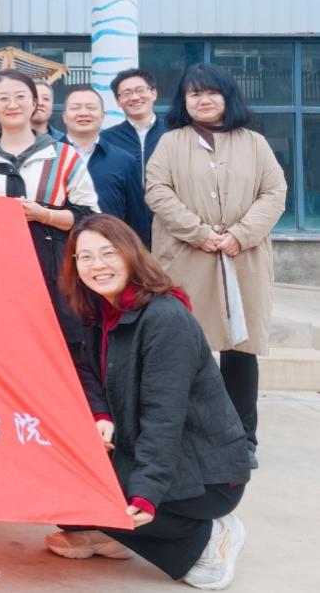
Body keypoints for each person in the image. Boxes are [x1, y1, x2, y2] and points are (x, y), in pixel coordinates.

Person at [46, 214, 250, 590]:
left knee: (86, 492)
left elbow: (163, 419)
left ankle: (206, 538)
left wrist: (146, 493)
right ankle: (118, 533)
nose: (97, 265)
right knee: (59, 483)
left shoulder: (164, 319)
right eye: (85, 257)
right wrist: (101, 414)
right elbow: (87, 370)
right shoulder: (99, 310)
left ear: (131, 254)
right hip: (149, 453)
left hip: (207, 476)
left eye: (108, 253)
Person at [145, 63, 286, 469]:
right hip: (188, 256)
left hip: (242, 256)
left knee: (241, 350)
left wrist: (240, 234)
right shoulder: (171, 142)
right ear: (183, 101)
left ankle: (242, 439)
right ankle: (190, 437)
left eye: (211, 92)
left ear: (227, 96)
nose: (203, 100)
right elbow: (157, 191)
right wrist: (198, 232)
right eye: (194, 94)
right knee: (187, 347)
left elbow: (274, 192)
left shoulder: (254, 143)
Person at [0, 70, 99, 352]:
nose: (12, 104)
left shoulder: (63, 156)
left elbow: (88, 217)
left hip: (57, 270)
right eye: (3, 98)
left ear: (34, 103)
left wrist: (44, 215)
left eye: (20, 96)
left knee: (66, 348)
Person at [62, 85, 151, 247]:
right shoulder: (48, 157)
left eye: (91, 108)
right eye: (75, 108)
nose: (83, 113)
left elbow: (137, 219)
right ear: (64, 116)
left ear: (102, 116)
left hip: (112, 249)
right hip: (59, 250)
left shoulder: (124, 161)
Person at [101, 68, 167, 182]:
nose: (135, 97)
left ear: (154, 93)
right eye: (127, 93)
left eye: (140, 90)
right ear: (118, 101)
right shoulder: (106, 139)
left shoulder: (173, 133)